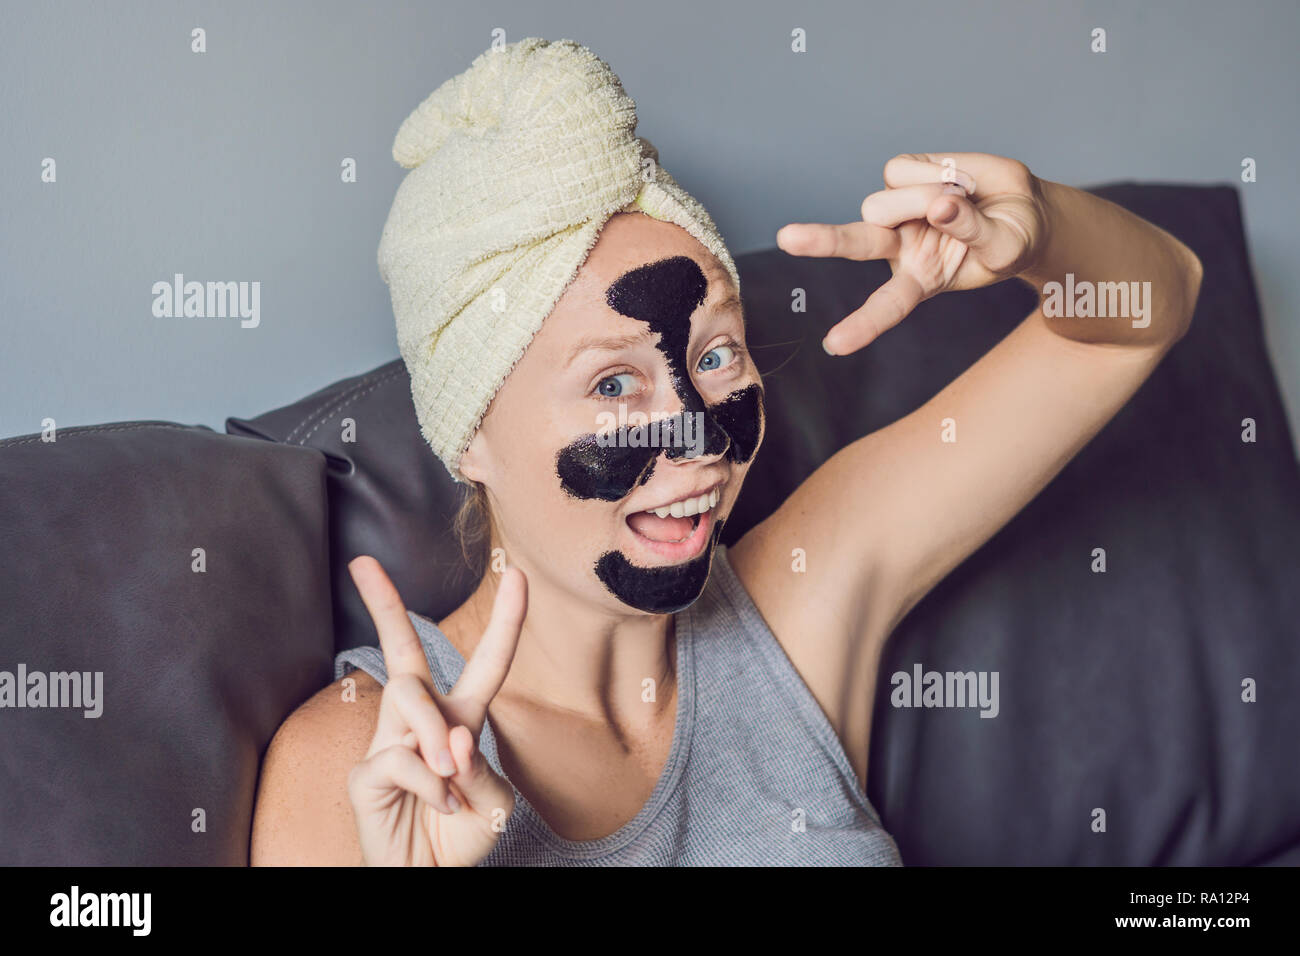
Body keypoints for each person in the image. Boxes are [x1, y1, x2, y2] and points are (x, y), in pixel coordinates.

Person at [250, 38, 1202, 866]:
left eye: (713, 356)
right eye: (613, 385)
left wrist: (1041, 232)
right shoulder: (356, 761)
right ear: (471, 436)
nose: (700, 437)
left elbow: (1149, 307)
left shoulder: (799, 599)